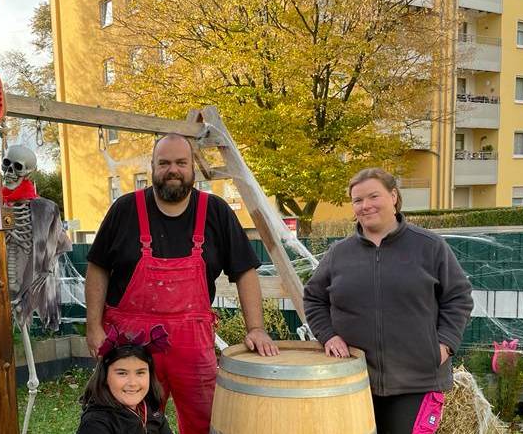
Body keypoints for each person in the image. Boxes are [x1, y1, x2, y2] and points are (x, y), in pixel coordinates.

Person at [85, 133, 279, 434]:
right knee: (126, 420)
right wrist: (93, 327)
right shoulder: (124, 209)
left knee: (207, 421)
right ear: (152, 167)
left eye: (180, 162)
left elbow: (245, 271)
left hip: (193, 343)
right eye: (164, 163)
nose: (172, 169)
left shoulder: (215, 211)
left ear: (192, 169)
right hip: (131, 344)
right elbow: (97, 267)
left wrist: (255, 327)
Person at [303, 168, 473, 434]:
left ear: (393, 196)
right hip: (353, 380)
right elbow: (313, 298)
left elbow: (459, 297)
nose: (365, 205)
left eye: (373, 196)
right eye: (358, 200)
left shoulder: (429, 246)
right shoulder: (339, 254)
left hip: (416, 382)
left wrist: (444, 346)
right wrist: (328, 335)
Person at [77, 325, 173, 434]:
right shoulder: (96, 423)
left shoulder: (152, 410)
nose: (132, 383)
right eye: (122, 373)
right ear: (105, 377)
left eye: (140, 372)